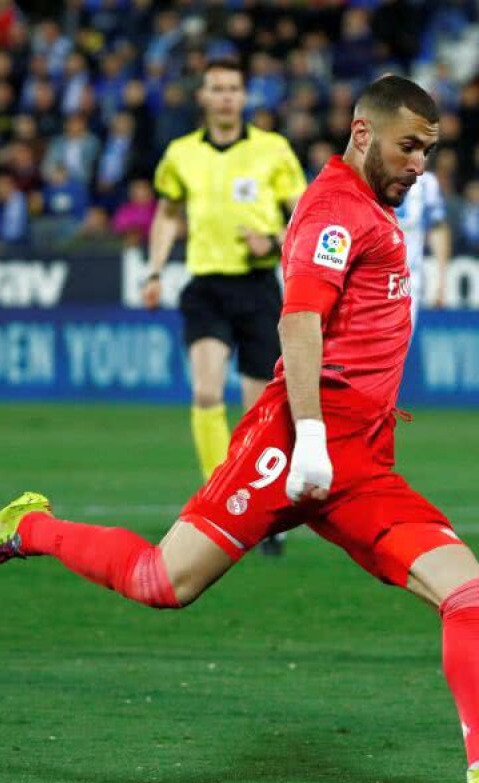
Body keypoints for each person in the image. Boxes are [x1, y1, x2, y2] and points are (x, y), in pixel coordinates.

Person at [0, 75, 479, 783]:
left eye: (429, 152)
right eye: (409, 147)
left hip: (361, 462)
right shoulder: (336, 211)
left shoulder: (373, 207)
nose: (420, 165)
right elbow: (298, 322)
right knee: (163, 581)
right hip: (292, 442)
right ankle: (27, 527)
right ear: (362, 132)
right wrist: (309, 435)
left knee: (474, 594)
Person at [142, 58, 307, 538]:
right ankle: (219, 493)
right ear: (204, 97)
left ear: (245, 95)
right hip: (206, 286)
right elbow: (167, 214)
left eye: (234, 88)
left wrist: (274, 239)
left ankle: (259, 508)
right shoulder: (180, 154)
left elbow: (304, 216)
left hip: (257, 288)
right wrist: (154, 270)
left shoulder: (273, 151)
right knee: (207, 390)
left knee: (258, 411)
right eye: (217, 88)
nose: (226, 96)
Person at [395, 169, 451, 326]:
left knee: (400, 344)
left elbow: (437, 227)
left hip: (408, 279)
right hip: (371, 275)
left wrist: (441, 281)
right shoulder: (371, 175)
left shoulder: (427, 183)